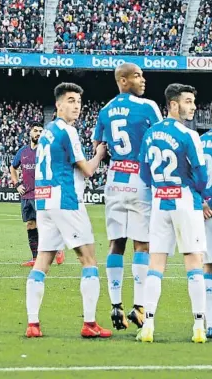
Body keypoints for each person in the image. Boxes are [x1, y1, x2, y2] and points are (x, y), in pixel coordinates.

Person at [25, 82, 112, 339]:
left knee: (43, 261)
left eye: (79, 102)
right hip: (66, 200)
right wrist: (99, 153)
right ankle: (90, 323)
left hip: (44, 201)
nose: (77, 106)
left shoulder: (47, 132)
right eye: (71, 101)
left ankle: (33, 324)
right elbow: (87, 170)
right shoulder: (67, 131)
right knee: (89, 260)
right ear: (58, 105)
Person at [93, 63, 162, 331]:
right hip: (139, 179)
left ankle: (115, 306)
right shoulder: (148, 107)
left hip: (114, 180)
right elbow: (159, 137)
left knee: (115, 243)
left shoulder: (105, 110)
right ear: (123, 80)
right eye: (137, 75)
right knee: (142, 245)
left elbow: (99, 145)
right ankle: (140, 306)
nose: (143, 80)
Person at [137, 84, 208, 343]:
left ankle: (148, 325)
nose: (193, 107)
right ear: (174, 104)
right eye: (188, 101)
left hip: (160, 202)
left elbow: (145, 174)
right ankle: (199, 325)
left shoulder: (150, 134)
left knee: (156, 264)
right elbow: (201, 178)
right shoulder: (189, 136)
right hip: (185, 201)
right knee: (193, 262)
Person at [10, 124, 65, 267]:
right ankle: (35, 258)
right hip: (27, 194)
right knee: (30, 224)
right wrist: (17, 184)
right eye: (35, 130)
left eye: (41, 131)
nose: (38, 133)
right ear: (30, 133)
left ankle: (58, 248)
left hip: (42, 193)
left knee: (46, 223)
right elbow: (13, 167)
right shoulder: (23, 151)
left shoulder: (47, 150)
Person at [200, 128, 212, 338]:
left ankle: (208, 322)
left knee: (207, 265)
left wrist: (201, 202)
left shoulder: (199, 140)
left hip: (204, 210)